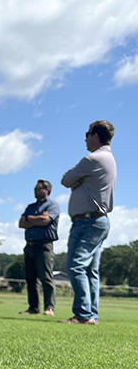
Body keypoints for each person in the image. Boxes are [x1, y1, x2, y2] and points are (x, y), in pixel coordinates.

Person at [60, 120, 117, 325]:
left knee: (75, 266)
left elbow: (66, 179)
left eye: (87, 133)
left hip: (87, 222)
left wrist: (78, 181)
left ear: (95, 136)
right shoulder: (108, 158)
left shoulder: (92, 159)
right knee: (91, 270)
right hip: (99, 221)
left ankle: (83, 315)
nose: (85, 138)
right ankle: (91, 314)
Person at [18, 179, 60, 316]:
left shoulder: (52, 205)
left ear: (46, 190)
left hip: (44, 245)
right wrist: (35, 219)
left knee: (46, 277)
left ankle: (49, 308)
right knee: (31, 278)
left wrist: (30, 219)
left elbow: (45, 221)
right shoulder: (31, 207)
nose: (35, 191)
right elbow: (21, 223)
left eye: (38, 189)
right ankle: (33, 307)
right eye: (35, 189)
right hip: (30, 245)